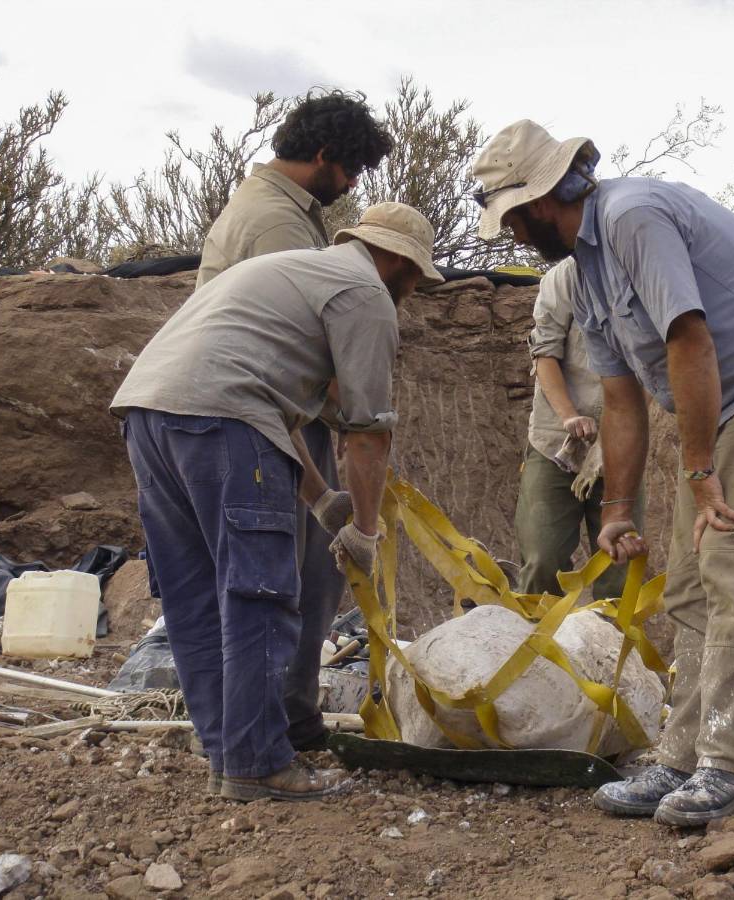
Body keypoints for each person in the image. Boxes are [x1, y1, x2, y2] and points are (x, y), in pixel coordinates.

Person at [472, 120, 734, 826]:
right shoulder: (582, 273)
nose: (516, 237)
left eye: (515, 219)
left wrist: (701, 466)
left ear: (539, 200)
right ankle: (683, 756)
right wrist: (617, 506)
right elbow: (621, 396)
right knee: (689, 582)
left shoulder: (632, 215)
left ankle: (732, 766)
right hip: (727, 395)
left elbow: (688, 337)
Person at [111, 203, 443, 801]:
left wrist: (321, 502)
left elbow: (273, 408)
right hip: (223, 423)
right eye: (417, 277)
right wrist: (365, 533)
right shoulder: (365, 292)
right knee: (259, 594)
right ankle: (259, 763)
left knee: (196, 598)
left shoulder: (288, 273)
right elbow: (367, 432)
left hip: (148, 415)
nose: (414, 291)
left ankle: (227, 754)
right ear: (395, 260)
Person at [196, 89, 393, 753]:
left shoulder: (275, 210)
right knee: (293, 572)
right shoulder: (277, 225)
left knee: (296, 565)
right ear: (322, 154)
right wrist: (354, 419)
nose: (352, 182)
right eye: (351, 167)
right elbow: (288, 342)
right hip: (262, 411)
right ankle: (282, 726)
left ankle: (258, 727)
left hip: (253, 407)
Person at [515, 255, 644, 600]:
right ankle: (536, 647)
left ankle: (613, 650)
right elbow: (545, 353)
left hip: (619, 448)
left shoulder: (648, 275)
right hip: (554, 443)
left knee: (620, 568)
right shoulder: (566, 277)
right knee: (542, 560)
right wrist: (569, 415)